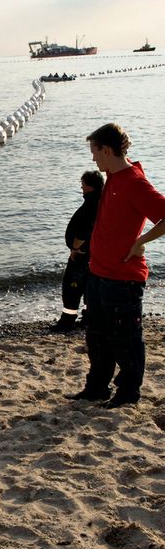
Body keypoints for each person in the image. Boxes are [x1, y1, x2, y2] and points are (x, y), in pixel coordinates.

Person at [67, 123, 165, 408]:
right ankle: (96, 388)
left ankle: (128, 394)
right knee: (96, 336)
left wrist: (141, 241)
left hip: (123, 278)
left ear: (107, 150)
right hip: (98, 272)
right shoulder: (112, 174)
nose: (93, 159)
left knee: (126, 338)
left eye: (94, 152)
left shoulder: (134, 182)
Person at [50, 169, 104, 333]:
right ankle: (88, 317)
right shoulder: (102, 201)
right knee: (89, 285)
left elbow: (85, 228)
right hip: (93, 253)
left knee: (71, 287)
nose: (81, 188)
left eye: (83, 184)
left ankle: (67, 320)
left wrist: (75, 248)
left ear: (90, 186)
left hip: (82, 253)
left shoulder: (91, 203)